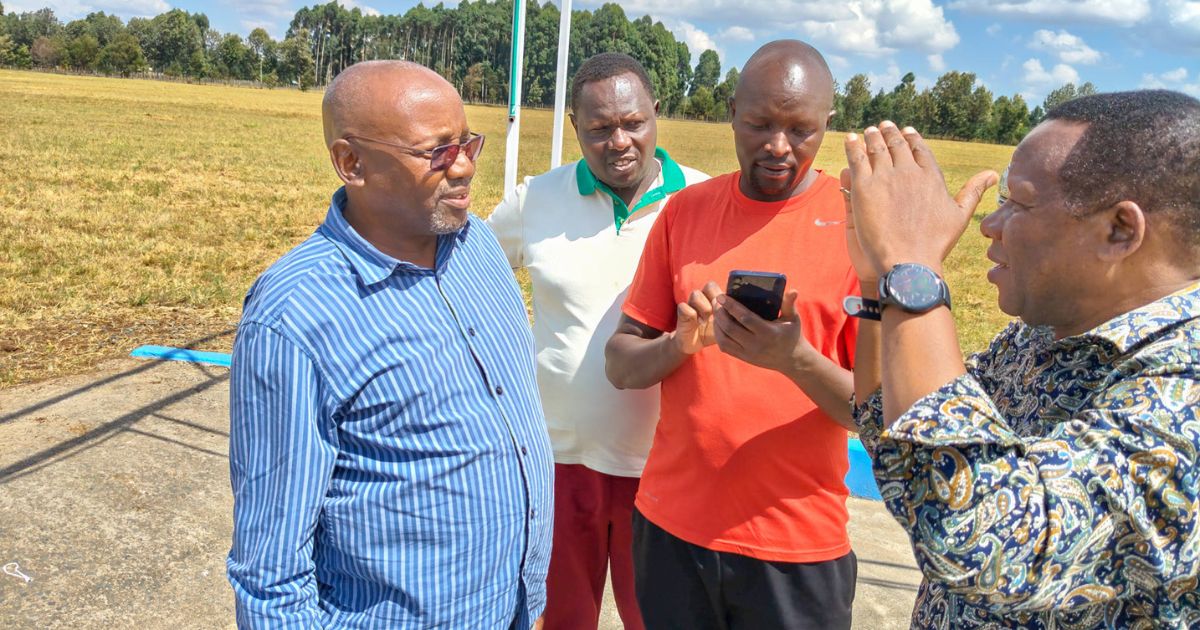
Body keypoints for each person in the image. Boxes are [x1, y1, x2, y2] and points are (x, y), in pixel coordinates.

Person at [843, 90, 1200, 628]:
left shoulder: (1185, 393)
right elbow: (899, 430)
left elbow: (979, 534)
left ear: (1120, 230)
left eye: (1019, 202)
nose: (990, 224)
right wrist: (877, 282)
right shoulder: (1042, 335)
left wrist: (912, 264)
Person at [225, 60, 553, 629]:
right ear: (351, 162)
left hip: (512, 610)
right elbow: (270, 569)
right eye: (438, 152)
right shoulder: (295, 316)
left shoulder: (476, 246)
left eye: (467, 142)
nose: (467, 166)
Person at [604, 40, 860, 628]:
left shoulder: (854, 225)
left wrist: (793, 358)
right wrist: (681, 343)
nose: (777, 146)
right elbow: (621, 364)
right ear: (732, 112)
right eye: (759, 124)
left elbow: (875, 410)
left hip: (796, 548)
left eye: (800, 129)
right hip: (671, 531)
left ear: (828, 120)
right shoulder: (684, 212)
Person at [486, 52, 708, 630]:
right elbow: (467, 275)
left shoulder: (704, 204)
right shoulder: (536, 201)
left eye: (633, 123)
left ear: (657, 114)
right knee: (561, 619)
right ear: (574, 128)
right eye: (599, 128)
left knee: (659, 619)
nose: (619, 141)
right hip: (558, 459)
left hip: (668, 469)